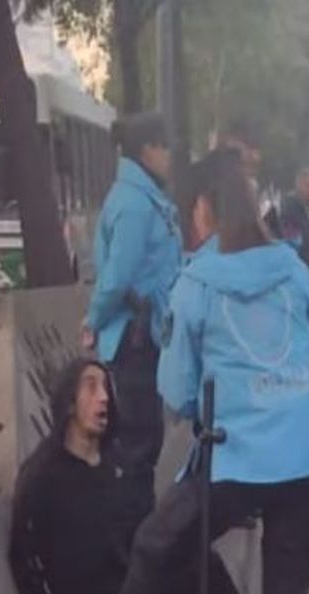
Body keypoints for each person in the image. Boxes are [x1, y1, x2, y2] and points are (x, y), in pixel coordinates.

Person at [66, 149, 309, 594]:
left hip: (233, 453)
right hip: (305, 451)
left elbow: (178, 389)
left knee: (154, 543)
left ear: (205, 211)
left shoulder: (195, 284)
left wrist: (204, 407)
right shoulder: (294, 269)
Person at [9, 359, 268, 594]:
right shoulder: (41, 474)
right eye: (91, 387)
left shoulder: (116, 462)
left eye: (106, 388)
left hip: (129, 592)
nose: (103, 397)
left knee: (205, 563)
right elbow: (20, 553)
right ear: (70, 402)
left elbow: (142, 534)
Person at [84, 111, 182, 538]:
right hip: (133, 339)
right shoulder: (133, 204)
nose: (169, 156)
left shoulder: (143, 199)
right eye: (164, 147)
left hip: (145, 336)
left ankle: (136, 540)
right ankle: (134, 544)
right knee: (137, 446)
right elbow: (118, 277)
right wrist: (92, 320)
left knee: (140, 444)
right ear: (148, 150)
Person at [274, 167, 309, 260]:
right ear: (298, 185)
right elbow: (293, 244)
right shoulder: (290, 210)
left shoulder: (307, 208)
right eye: (308, 186)